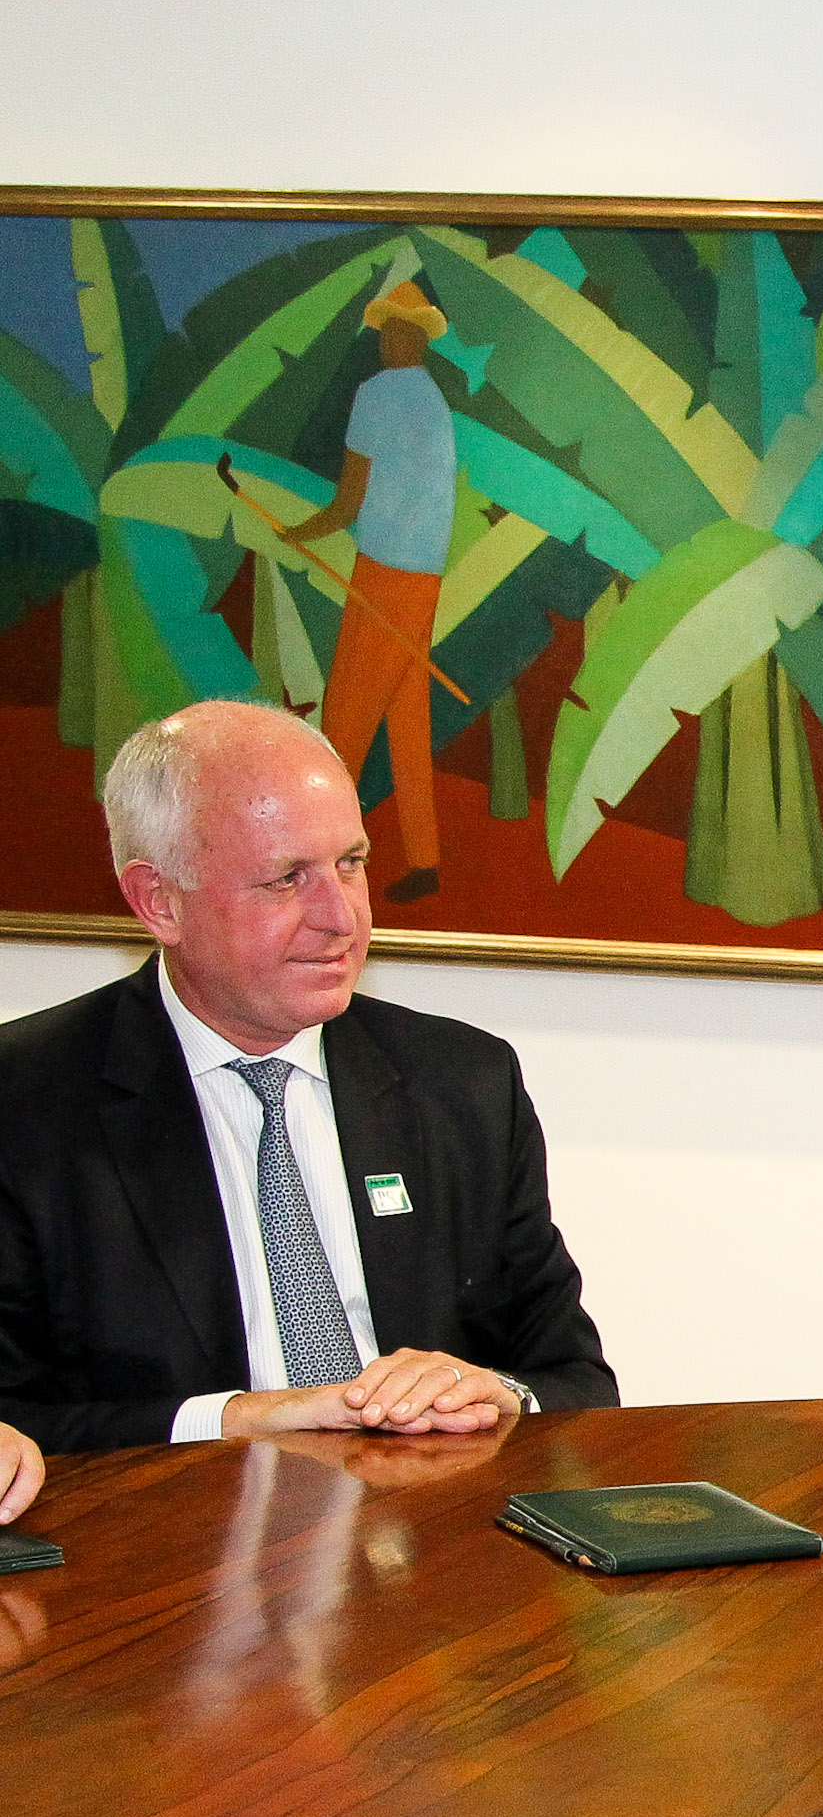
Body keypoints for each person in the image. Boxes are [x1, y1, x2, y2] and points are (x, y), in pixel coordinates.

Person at [0, 702, 616, 1454]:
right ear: (159, 901)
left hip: (423, 1550)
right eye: (287, 878)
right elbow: (12, 1423)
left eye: (351, 864)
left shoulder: (464, 1085)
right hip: (166, 1555)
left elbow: (578, 1384)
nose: (342, 917)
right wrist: (232, 1419)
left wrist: (500, 1396)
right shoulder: (26, 1102)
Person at [285, 276, 459, 904]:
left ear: (412, 337)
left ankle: (326, 870)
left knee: (344, 727)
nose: (388, 341)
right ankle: (425, 859)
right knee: (406, 720)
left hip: (386, 574)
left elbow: (348, 503)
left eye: (395, 330)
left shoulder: (376, 395)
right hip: (425, 580)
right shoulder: (436, 403)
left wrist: (299, 531)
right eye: (386, 330)